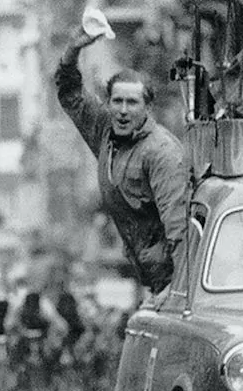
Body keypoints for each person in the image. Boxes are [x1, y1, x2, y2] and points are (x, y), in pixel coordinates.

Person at [55, 26, 187, 307]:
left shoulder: (161, 153)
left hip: (176, 283)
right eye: (117, 101)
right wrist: (74, 48)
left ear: (146, 108)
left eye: (132, 102)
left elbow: (180, 228)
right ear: (108, 103)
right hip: (152, 280)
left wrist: (175, 289)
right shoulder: (106, 133)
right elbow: (70, 94)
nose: (124, 110)